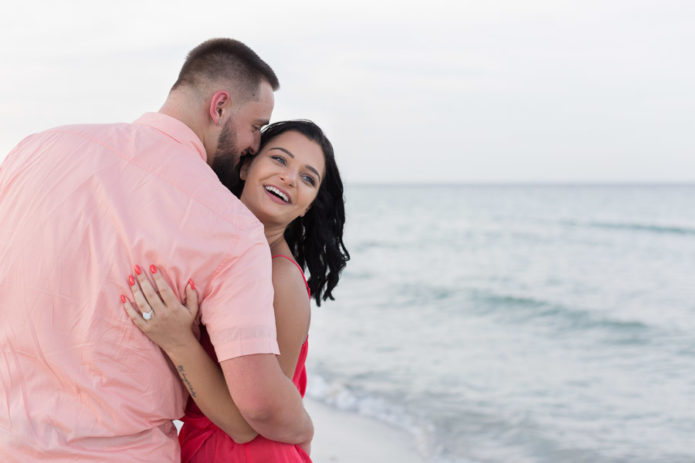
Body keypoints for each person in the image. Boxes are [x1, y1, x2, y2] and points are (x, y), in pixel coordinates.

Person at [0, 39, 314, 462]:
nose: (254, 146)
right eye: (256, 126)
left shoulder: (32, 151)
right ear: (219, 107)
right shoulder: (232, 228)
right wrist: (303, 427)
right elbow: (255, 408)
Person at [123, 120, 349, 462]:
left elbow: (255, 419)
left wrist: (177, 340)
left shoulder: (281, 279)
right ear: (246, 166)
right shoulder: (216, 246)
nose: (289, 177)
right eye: (279, 159)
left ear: (307, 206)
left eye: (307, 178)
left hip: (245, 450)